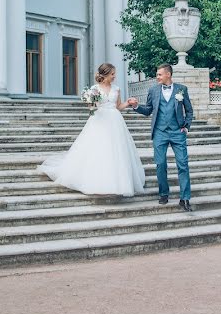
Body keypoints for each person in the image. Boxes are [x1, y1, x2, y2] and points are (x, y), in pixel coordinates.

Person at [38, 63, 145, 197]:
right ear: (105, 75)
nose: (114, 76)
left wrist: (128, 103)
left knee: (115, 150)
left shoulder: (116, 89)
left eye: (114, 74)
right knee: (97, 149)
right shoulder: (94, 89)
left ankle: (116, 182)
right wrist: (92, 105)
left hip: (115, 120)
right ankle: (96, 181)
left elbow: (118, 106)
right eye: (112, 74)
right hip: (99, 120)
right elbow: (91, 106)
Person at [127, 63, 195, 211]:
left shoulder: (181, 89)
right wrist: (136, 106)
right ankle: (163, 193)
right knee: (160, 164)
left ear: (168, 75)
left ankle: (185, 198)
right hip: (159, 132)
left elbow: (189, 111)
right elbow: (148, 110)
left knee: (183, 165)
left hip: (178, 132)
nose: (157, 77)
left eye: (159, 74)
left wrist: (186, 126)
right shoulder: (153, 90)